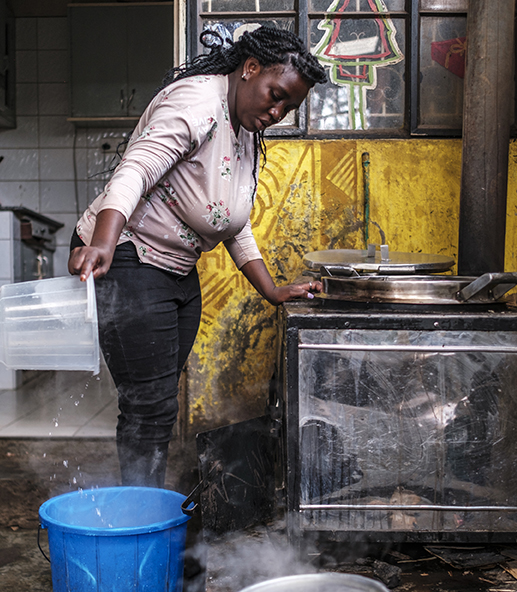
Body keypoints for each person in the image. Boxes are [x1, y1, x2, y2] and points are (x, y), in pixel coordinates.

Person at [68, 24, 329, 488]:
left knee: (159, 398)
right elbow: (134, 170)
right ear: (249, 69)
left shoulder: (244, 126)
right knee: (150, 406)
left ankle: (143, 509)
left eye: (288, 106)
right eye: (275, 95)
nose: (277, 110)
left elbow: (229, 215)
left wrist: (271, 290)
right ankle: (139, 521)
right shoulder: (196, 103)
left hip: (176, 271)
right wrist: (103, 243)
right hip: (127, 255)